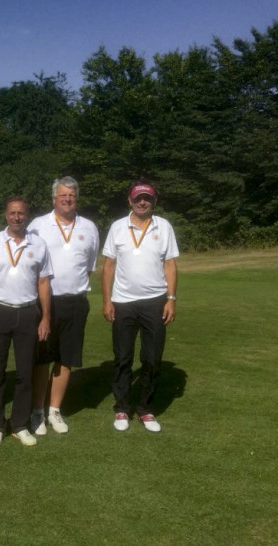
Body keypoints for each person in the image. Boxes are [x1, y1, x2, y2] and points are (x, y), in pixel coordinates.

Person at [0, 196, 52, 447]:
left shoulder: (38, 244)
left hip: (28, 313)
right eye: (12, 213)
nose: (16, 217)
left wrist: (46, 316)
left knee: (25, 372)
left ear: (27, 215)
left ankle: (19, 424)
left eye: (21, 213)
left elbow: (43, 282)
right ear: (6, 215)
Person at [102, 180, 179, 433]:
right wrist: (107, 300)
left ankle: (145, 409)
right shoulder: (117, 227)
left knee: (152, 358)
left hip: (155, 301)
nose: (142, 202)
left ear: (154, 201)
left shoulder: (164, 226)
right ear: (130, 201)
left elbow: (170, 264)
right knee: (123, 357)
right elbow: (109, 266)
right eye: (138, 198)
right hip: (123, 302)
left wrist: (171, 299)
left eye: (147, 198)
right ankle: (122, 408)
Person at [28, 177, 100, 435]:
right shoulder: (38, 226)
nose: (67, 199)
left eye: (71, 195)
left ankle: (54, 411)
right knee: (41, 359)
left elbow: (89, 266)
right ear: (54, 199)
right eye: (62, 195)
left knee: (65, 359)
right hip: (44, 302)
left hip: (76, 301)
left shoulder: (89, 227)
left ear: (76, 198)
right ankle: (37, 410)